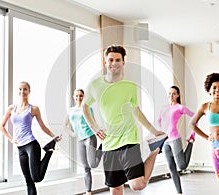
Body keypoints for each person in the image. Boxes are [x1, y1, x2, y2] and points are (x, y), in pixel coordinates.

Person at [82, 45, 166, 195]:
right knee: (115, 188)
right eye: (111, 59)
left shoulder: (129, 86)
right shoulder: (95, 85)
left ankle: (155, 150)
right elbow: (84, 107)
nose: (114, 63)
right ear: (105, 62)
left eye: (118, 60)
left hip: (129, 139)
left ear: (123, 62)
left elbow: (136, 111)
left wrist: (153, 131)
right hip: (108, 143)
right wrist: (94, 128)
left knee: (138, 185)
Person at [0, 81, 61, 195]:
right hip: (20, 148)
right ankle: (48, 149)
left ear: (29, 91)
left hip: (31, 145)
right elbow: (1, 126)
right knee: (29, 181)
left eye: (25, 89)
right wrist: (11, 139)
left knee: (36, 177)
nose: (22, 91)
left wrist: (54, 137)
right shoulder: (11, 109)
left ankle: (48, 151)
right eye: (20, 89)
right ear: (18, 91)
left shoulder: (33, 109)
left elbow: (42, 126)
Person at [157, 85, 196, 194]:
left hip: (175, 139)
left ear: (178, 95)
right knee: (171, 168)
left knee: (182, 166)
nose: (171, 96)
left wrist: (193, 134)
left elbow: (195, 118)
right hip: (165, 141)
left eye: (174, 93)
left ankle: (191, 144)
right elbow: (159, 121)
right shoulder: (164, 108)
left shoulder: (180, 108)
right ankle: (179, 192)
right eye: (170, 93)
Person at [64, 88, 102, 195]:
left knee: (93, 164)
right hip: (80, 140)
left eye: (80, 96)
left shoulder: (88, 108)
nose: (78, 98)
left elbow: (94, 123)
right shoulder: (71, 110)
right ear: (73, 97)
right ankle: (88, 192)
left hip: (90, 137)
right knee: (86, 167)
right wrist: (73, 134)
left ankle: (102, 147)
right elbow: (65, 125)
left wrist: (100, 132)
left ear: (83, 97)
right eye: (76, 96)